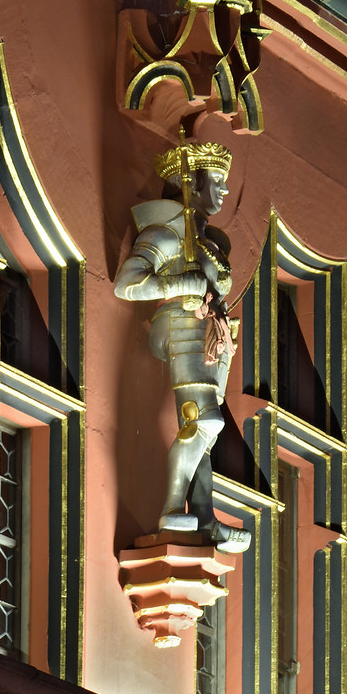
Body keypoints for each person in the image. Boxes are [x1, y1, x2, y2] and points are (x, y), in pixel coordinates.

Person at [113, 141, 250, 552]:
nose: (224, 190)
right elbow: (127, 283)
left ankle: (205, 516)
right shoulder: (169, 232)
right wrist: (176, 284)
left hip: (213, 339)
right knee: (205, 421)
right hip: (185, 330)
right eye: (217, 180)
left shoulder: (209, 242)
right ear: (192, 182)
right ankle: (174, 506)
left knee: (205, 433)